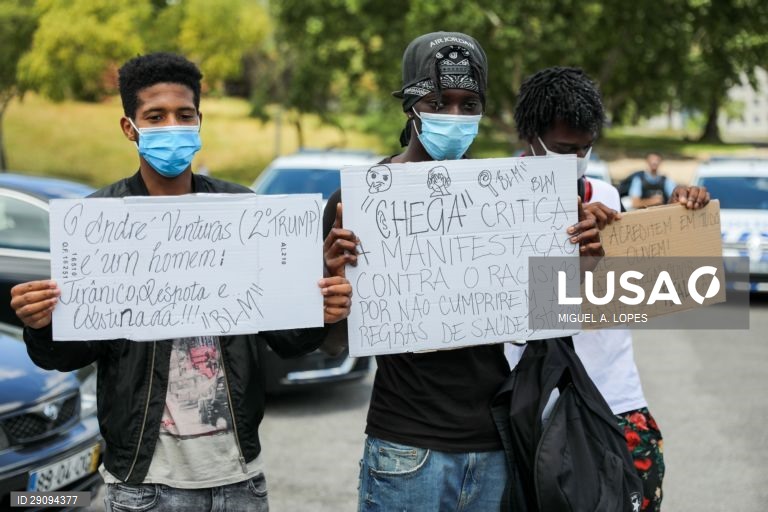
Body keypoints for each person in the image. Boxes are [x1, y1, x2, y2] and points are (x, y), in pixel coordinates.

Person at [10, 52, 353, 512]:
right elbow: (68, 353)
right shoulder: (95, 224)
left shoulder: (245, 212)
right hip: (143, 482)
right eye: (155, 116)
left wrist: (323, 304)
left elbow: (292, 339)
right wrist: (41, 322)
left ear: (199, 121)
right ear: (129, 127)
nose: (172, 125)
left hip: (239, 476)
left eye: (183, 114)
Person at [322, 34, 603, 511]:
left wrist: (584, 265)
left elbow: (552, 318)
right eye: (439, 102)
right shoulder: (358, 204)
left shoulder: (512, 198)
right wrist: (332, 305)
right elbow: (334, 344)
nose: (454, 117)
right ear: (411, 104)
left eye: (468, 103)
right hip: (407, 447)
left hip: (496, 446)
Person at [509, 65, 709, 512]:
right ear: (531, 137)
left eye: (585, 148)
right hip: (538, 406)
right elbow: (509, 310)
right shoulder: (494, 202)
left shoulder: (604, 194)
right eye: (564, 148)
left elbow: (638, 289)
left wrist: (679, 219)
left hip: (616, 397)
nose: (577, 158)